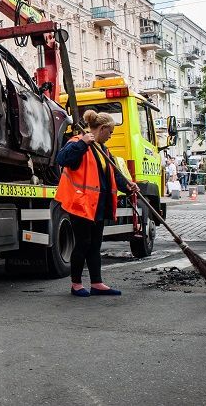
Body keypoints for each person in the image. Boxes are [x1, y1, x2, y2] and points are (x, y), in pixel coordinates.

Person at [55, 109, 140, 297]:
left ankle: (97, 283)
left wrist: (128, 186)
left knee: (94, 245)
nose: (110, 136)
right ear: (101, 128)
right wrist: (83, 144)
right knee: (83, 244)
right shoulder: (78, 142)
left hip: (98, 205)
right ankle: (76, 284)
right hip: (81, 205)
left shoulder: (103, 150)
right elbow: (62, 159)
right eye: (110, 132)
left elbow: (113, 173)